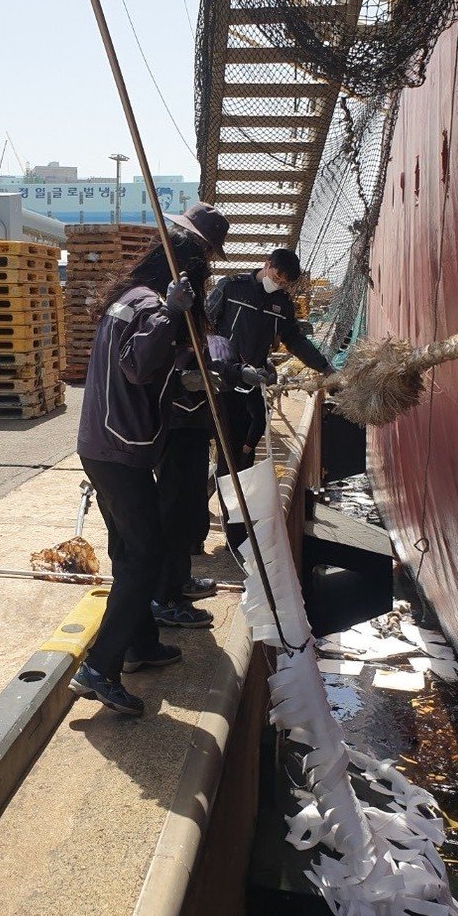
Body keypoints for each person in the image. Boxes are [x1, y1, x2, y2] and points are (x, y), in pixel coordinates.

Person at [71, 202, 228, 717]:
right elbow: (139, 366)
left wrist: (192, 374)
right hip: (123, 450)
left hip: (105, 445)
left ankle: (139, 646)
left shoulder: (129, 297)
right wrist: (172, 314)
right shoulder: (150, 305)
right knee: (144, 559)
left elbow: (146, 369)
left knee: (130, 550)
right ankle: (101, 667)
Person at [153, 334, 263, 628]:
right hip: (175, 430)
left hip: (195, 430)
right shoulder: (168, 327)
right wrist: (186, 380)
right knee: (173, 513)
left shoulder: (211, 340)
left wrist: (240, 375)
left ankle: (181, 579)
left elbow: (218, 371)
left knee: (191, 508)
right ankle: (165, 599)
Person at [205, 247, 332, 474]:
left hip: (254, 378)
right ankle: (226, 499)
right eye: (276, 277)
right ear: (267, 264)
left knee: (250, 438)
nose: (278, 284)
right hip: (225, 377)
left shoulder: (282, 305)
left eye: (284, 283)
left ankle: (242, 490)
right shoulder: (232, 287)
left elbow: (294, 340)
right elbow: (203, 325)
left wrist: (324, 367)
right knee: (228, 443)